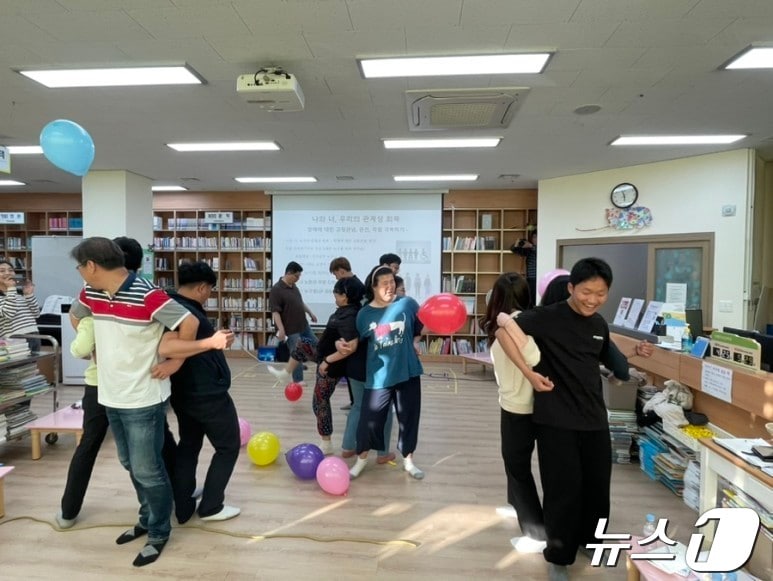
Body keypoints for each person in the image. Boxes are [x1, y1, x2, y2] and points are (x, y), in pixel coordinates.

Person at [502, 258, 653, 581]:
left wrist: (634, 354)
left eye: (600, 293)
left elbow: (604, 359)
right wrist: (529, 373)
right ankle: (558, 556)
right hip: (555, 420)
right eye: (586, 291)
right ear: (571, 288)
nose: (592, 299)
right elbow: (504, 331)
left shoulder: (598, 324)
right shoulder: (547, 317)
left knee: (597, 489)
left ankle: (590, 540)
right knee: (563, 491)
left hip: (595, 419)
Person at [69, 236, 199, 567]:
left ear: (92, 266)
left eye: (80, 266)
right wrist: (92, 345)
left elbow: (189, 323)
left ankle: (158, 531)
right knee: (130, 463)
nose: (80, 272)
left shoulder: (147, 294)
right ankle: (147, 517)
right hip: (110, 392)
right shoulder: (91, 292)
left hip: (143, 397)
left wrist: (174, 363)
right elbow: (76, 315)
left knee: (147, 468)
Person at [158, 261, 239, 523]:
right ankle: (212, 506)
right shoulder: (185, 312)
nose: (210, 294)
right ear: (202, 287)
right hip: (206, 393)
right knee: (228, 446)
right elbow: (170, 347)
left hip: (185, 391)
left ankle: (183, 504)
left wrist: (215, 341)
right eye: (210, 290)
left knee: (189, 444)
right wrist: (212, 342)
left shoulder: (171, 304)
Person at [480, 273, 549, 554]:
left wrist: (508, 323)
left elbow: (533, 357)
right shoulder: (523, 320)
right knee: (515, 463)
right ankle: (517, 504)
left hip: (519, 406)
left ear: (497, 297)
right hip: (523, 403)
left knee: (517, 466)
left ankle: (534, 532)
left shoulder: (515, 324)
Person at [347, 265, 424, 480]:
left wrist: (415, 342)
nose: (390, 287)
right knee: (369, 421)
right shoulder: (364, 314)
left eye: (392, 282)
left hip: (408, 372)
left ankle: (408, 461)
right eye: (384, 283)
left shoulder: (407, 304)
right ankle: (361, 460)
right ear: (373, 287)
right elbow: (358, 343)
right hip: (379, 376)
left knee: (409, 418)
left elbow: (419, 327)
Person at [269, 261, 317, 384]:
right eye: (296, 276)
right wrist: (281, 329)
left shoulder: (294, 287)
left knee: (317, 345)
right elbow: (275, 312)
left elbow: (300, 302)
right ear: (289, 273)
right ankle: (298, 380)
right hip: (291, 329)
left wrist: (310, 313)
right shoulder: (276, 290)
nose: (298, 279)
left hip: (303, 325)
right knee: (296, 353)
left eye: (299, 276)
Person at [328, 257, 365, 409]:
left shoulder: (356, 285)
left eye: (336, 274)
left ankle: (356, 402)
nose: (336, 278)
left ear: (341, 270)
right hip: (348, 330)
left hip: (352, 332)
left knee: (352, 369)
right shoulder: (353, 283)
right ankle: (353, 401)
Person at [0, 259, 41, 352]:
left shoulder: (18, 294)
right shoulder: (11, 293)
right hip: (14, 339)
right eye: (2, 271)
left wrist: (29, 294)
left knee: (32, 365)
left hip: (34, 335)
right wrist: (11, 288)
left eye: (10, 270)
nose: (8, 273)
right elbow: (9, 314)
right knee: (19, 366)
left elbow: (36, 314)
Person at [511, 229, 537, 308]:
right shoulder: (529, 249)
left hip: (537, 278)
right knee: (529, 299)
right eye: (534, 237)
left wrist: (531, 246)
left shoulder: (541, 249)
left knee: (534, 299)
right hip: (529, 278)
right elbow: (515, 251)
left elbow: (540, 252)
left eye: (536, 237)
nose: (535, 239)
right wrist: (517, 244)